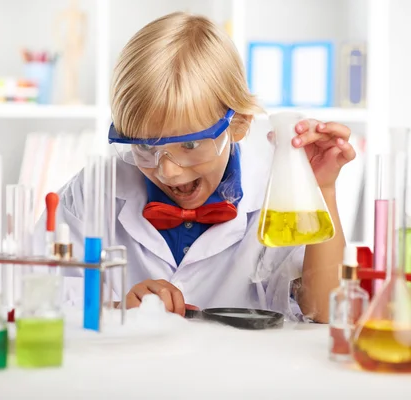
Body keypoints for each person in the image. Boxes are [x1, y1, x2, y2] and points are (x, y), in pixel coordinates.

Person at [33, 12, 355, 323]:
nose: (169, 171)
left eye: (189, 145)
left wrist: (321, 189)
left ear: (238, 124)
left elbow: (323, 313)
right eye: (146, 147)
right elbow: (34, 297)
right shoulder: (91, 194)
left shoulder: (277, 193)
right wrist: (119, 309)